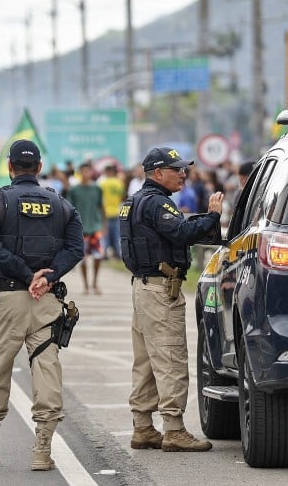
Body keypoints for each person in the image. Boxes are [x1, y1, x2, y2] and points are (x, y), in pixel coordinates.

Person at [0, 139, 84, 471]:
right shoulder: (62, 205)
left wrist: (24, 273)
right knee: (46, 368)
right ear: (38, 168)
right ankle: (42, 450)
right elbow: (76, 249)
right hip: (47, 301)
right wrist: (46, 278)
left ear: (9, 167)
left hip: (6, 300)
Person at [120, 147, 223, 452]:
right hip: (161, 290)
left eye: (183, 169)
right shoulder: (157, 203)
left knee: (147, 362)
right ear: (157, 173)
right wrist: (213, 216)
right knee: (170, 358)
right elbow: (179, 233)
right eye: (176, 169)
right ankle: (174, 430)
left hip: (143, 287)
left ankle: (143, 427)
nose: (183, 174)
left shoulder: (134, 201)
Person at [65, 162, 104, 294]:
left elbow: (101, 207)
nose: (86, 174)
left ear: (91, 172)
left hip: (95, 227)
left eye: (88, 171)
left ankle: (95, 283)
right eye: (83, 171)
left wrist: (104, 226)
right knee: (83, 259)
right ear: (80, 172)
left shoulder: (97, 189)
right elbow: (69, 210)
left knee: (98, 256)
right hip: (81, 229)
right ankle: (86, 286)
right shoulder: (74, 190)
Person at [98, 163, 125, 260]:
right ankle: (117, 252)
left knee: (105, 234)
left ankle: (104, 253)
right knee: (117, 233)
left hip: (105, 211)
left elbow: (99, 198)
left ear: (107, 172)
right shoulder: (119, 182)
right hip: (116, 210)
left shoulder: (102, 183)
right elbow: (122, 196)